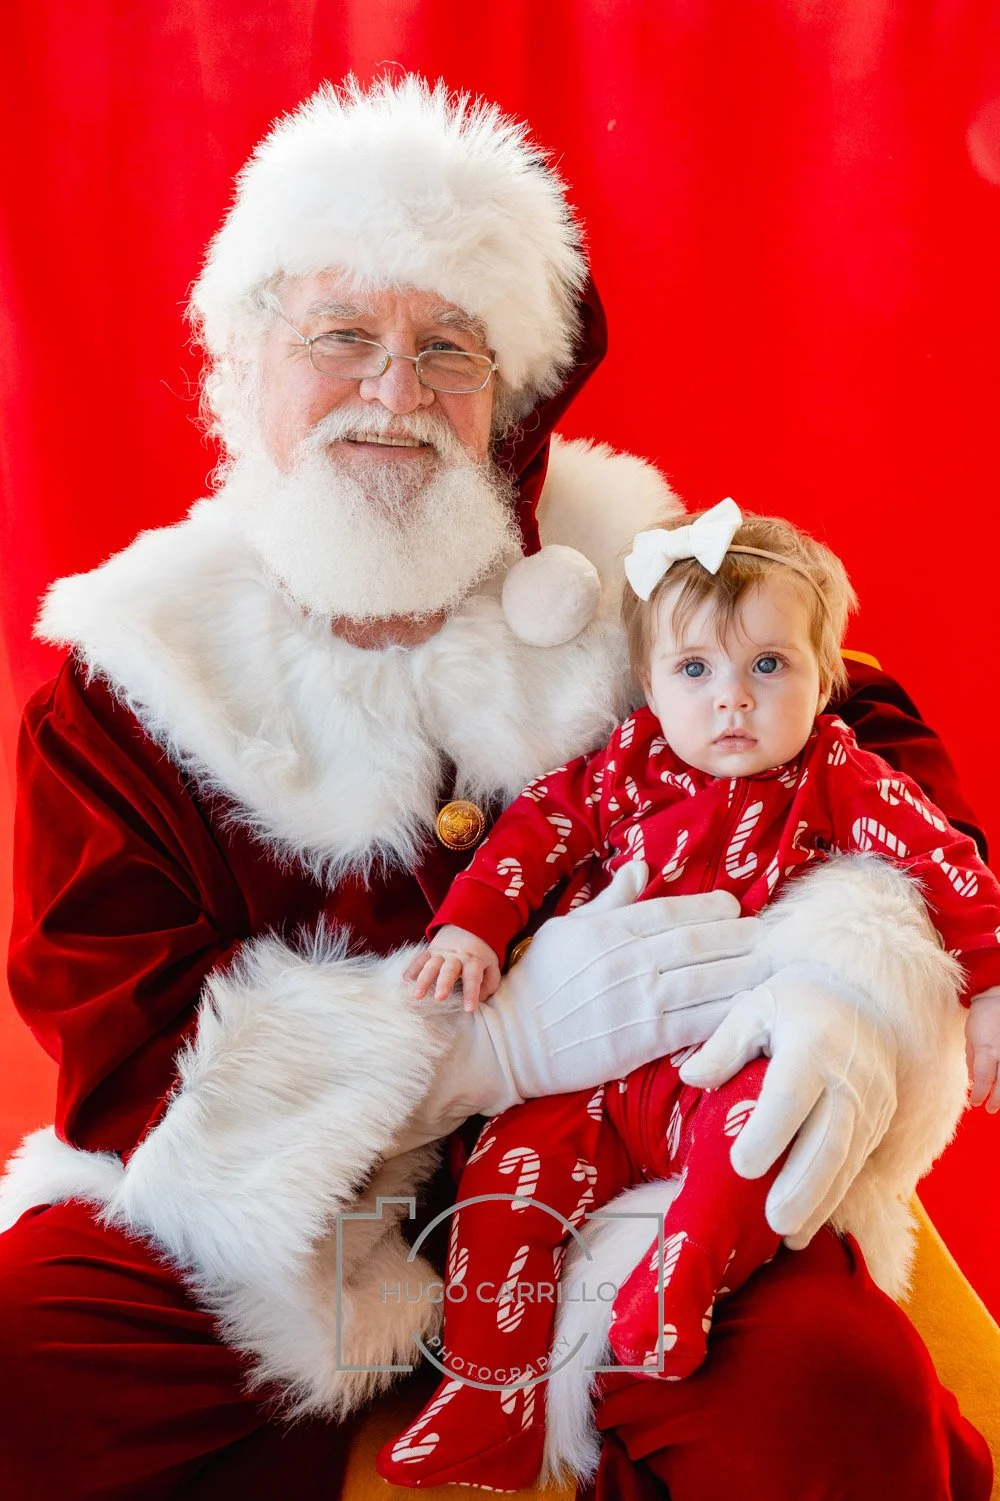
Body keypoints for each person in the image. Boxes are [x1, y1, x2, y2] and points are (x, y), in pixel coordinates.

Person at [0, 75, 992, 1501]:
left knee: (831, 1408)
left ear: (510, 395)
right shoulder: (132, 686)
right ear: (244, 363)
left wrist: (844, 983)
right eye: (343, 336)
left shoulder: (643, 577)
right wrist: (479, 1054)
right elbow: (131, 1067)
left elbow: (859, 730)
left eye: (447, 348)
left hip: (641, 1191)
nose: (394, 394)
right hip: (286, 1245)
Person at [380, 500, 1000, 1491]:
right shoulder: (623, 768)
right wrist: (472, 927)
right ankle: (489, 1390)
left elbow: (940, 860)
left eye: (768, 666)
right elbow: (534, 831)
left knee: (761, 1137)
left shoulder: (834, 772)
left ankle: (681, 1279)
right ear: (649, 685)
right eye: (695, 671)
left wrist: (989, 984)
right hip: (594, 1062)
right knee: (511, 1170)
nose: (732, 703)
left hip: (728, 1054)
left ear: (825, 677)